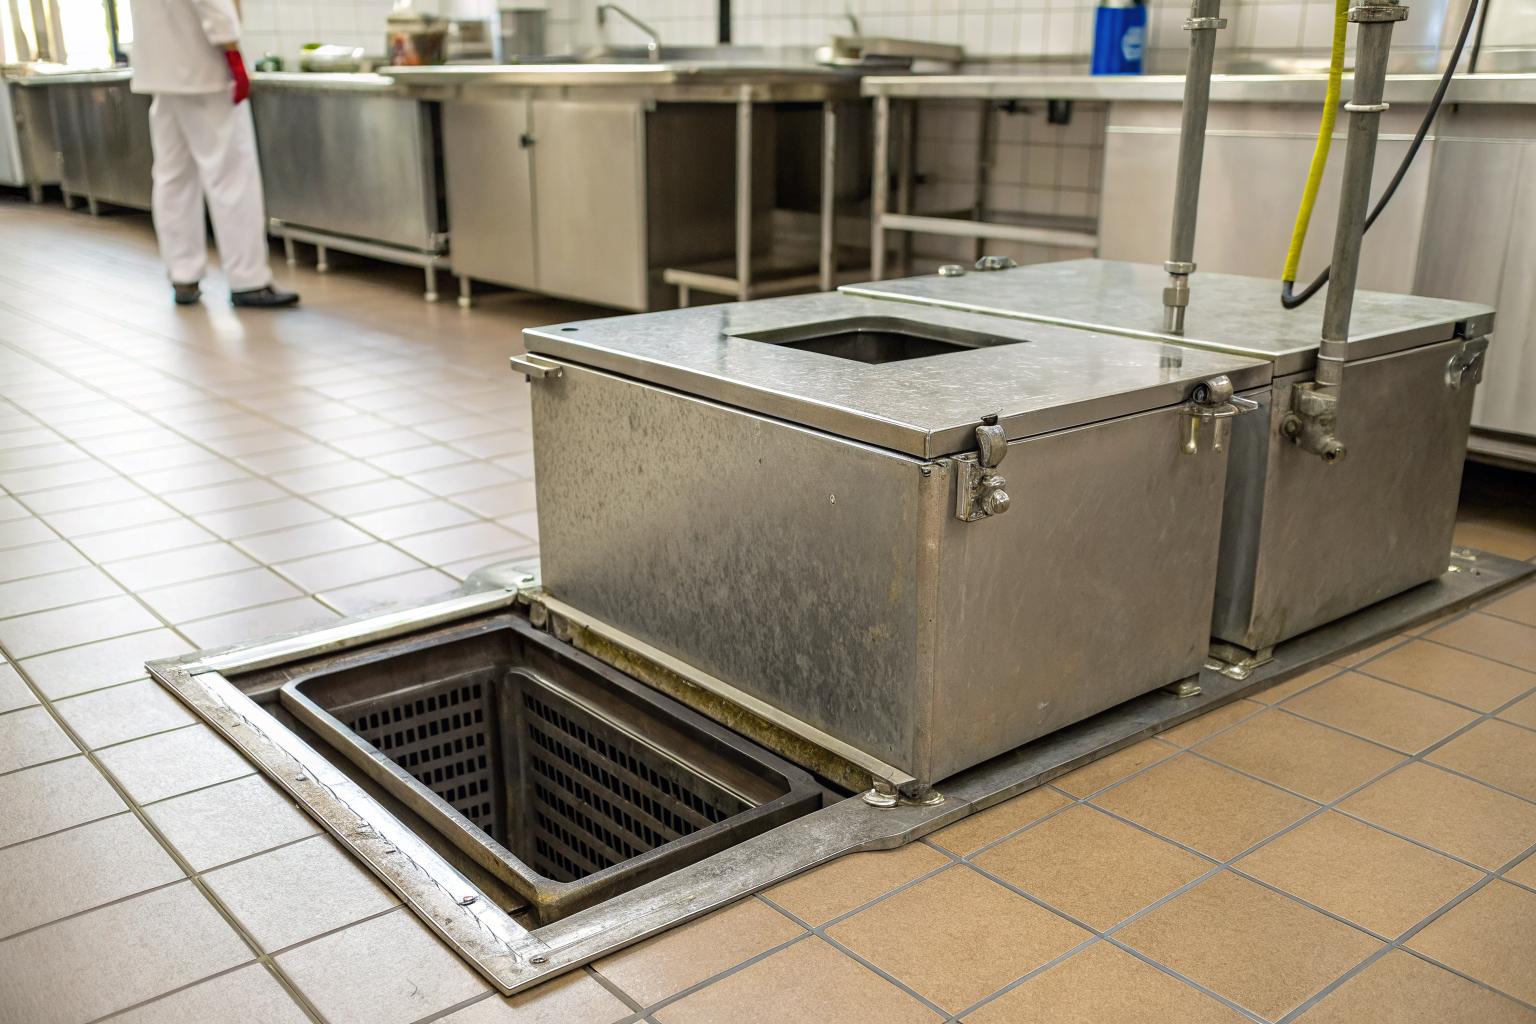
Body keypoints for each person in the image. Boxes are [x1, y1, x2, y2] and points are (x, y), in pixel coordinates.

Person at [128, 0, 298, 307]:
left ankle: (183, 274)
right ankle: (249, 280)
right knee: (232, 175)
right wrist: (232, 47)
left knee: (173, 175)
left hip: (158, 68)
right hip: (204, 65)